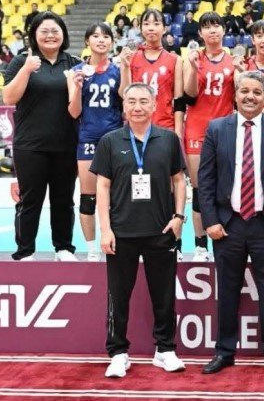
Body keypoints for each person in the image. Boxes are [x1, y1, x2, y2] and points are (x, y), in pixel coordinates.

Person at [197, 71, 264, 375]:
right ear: (235, 94)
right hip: (227, 224)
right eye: (245, 91)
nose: (250, 97)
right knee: (227, 291)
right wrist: (210, 221)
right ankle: (224, 351)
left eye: (256, 92)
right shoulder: (217, 128)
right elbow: (205, 179)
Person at [90, 82, 186, 378]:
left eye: (144, 101)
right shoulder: (109, 141)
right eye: (131, 101)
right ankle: (118, 352)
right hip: (121, 233)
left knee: (164, 295)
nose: (137, 107)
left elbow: (179, 180)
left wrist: (179, 217)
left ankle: (165, 349)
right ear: (124, 106)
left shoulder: (169, 139)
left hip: (161, 230)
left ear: (155, 105)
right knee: (118, 297)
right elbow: (102, 187)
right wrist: (105, 229)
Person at [2, 12, 80, 261]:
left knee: (64, 200)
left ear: (63, 34)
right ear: (34, 35)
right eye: (44, 31)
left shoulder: (74, 63)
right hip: (30, 146)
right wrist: (26, 70)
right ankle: (25, 251)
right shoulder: (21, 61)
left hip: (66, 144)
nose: (50, 35)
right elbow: (9, 98)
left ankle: (64, 248)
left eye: (55, 31)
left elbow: (78, 106)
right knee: (30, 200)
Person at [183, 12, 237, 262]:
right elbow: (189, 96)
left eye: (216, 25)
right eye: (207, 27)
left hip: (225, 130)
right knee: (199, 189)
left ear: (224, 30)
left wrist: (239, 73)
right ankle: (200, 245)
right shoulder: (194, 58)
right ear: (200, 33)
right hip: (196, 129)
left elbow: (239, 98)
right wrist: (194, 70)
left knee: (224, 187)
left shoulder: (234, 60)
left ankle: (225, 241)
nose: (212, 30)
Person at [67, 22, 123, 262]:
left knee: (118, 198)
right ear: (87, 41)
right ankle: (91, 249)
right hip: (88, 138)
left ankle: (118, 243)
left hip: (114, 138)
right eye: (96, 36)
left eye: (106, 36)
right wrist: (77, 88)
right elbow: (74, 112)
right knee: (88, 197)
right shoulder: (76, 72)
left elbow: (125, 103)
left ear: (112, 41)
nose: (101, 40)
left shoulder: (118, 70)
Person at [120, 9, 183, 137]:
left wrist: (178, 133)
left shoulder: (175, 60)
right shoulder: (130, 58)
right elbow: (123, 94)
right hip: (135, 127)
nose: (151, 28)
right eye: (146, 24)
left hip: (165, 127)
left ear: (164, 29)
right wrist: (125, 67)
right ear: (141, 28)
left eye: (156, 23)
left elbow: (178, 100)